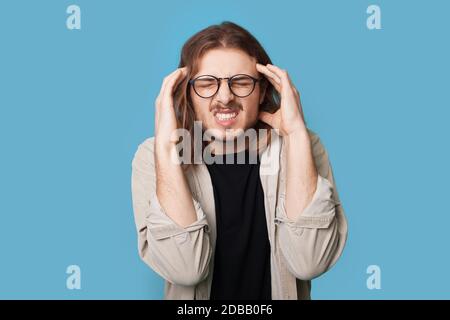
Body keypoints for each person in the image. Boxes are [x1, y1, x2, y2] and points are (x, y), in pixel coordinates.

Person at [131, 21, 347, 300]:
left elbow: (310, 262)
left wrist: (295, 134)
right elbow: (186, 270)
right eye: (207, 84)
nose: (225, 97)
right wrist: (166, 146)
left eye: (241, 83)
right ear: (187, 93)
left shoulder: (303, 145)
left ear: (263, 90)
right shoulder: (153, 156)